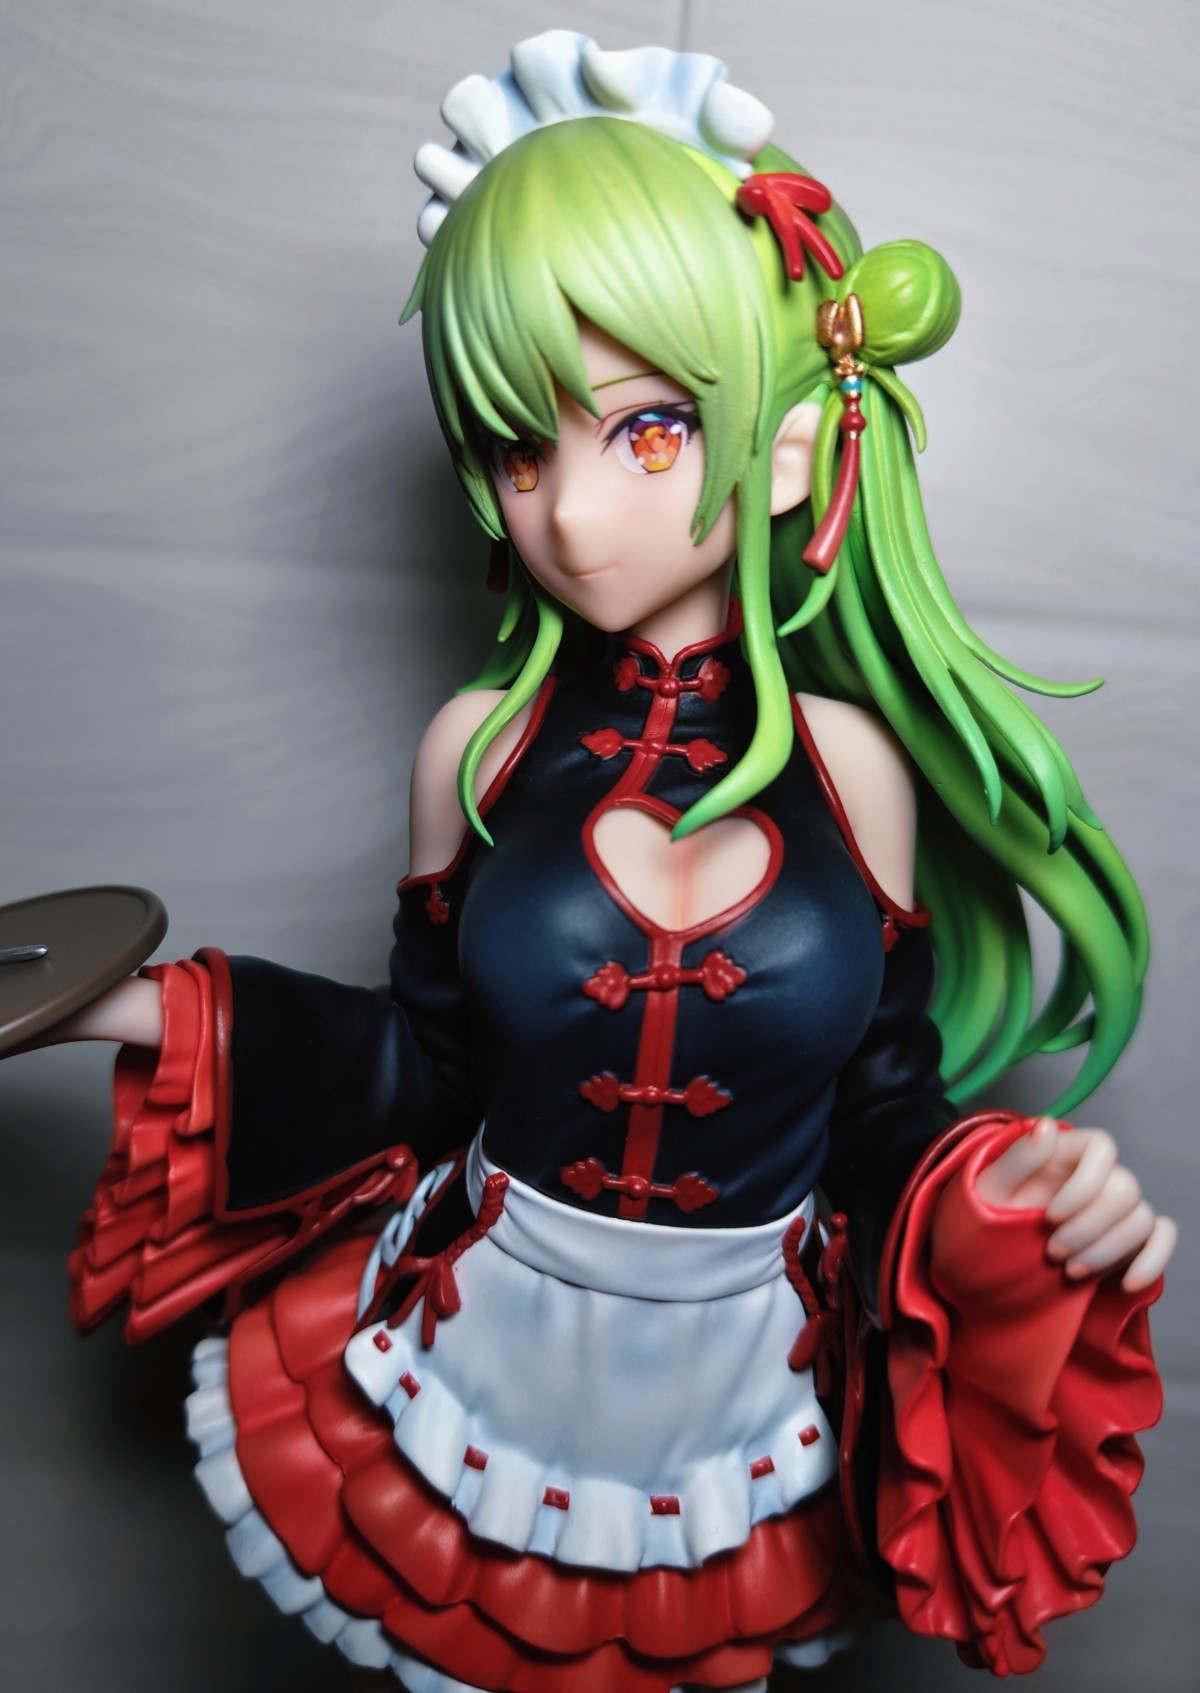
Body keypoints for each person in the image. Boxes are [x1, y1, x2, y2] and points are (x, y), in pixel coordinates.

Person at [39, 32, 1175, 1693]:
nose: (566, 514)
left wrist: (1018, 1191)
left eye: (646, 433)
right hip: (485, 1352)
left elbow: (878, 1107)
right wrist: (128, 1006)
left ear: (791, 447)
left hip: (742, 1394)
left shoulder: (855, 768)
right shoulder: (478, 750)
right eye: (519, 448)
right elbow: (423, 1067)